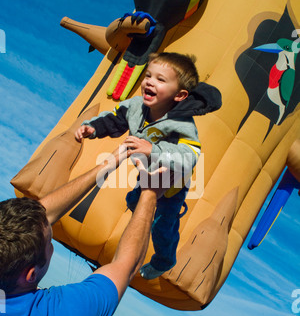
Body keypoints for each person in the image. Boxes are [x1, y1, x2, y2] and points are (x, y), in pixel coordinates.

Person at [0, 145, 170, 316]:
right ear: (31, 274)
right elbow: (126, 264)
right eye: (50, 243)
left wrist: (107, 165)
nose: (52, 246)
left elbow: (34, 222)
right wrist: (150, 193)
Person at [75, 52, 222, 279]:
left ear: (180, 95)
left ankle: (164, 261)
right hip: (146, 175)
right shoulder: (136, 106)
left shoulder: (182, 124)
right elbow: (114, 118)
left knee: (163, 227)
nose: (149, 82)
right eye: (148, 76)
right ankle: (141, 232)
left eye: (160, 80)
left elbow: (191, 155)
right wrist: (92, 128)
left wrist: (153, 149)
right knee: (134, 203)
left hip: (171, 184)